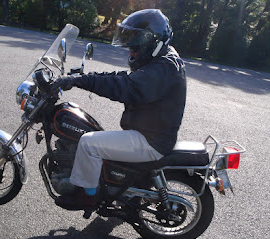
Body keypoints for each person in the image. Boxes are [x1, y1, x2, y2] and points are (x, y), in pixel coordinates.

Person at [53, 9, 187, 210]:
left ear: (152, 42)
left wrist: (80, 81)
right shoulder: (162, 59)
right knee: (94, 136)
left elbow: (124, 87)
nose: (131, 52)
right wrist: (82, 78)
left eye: (135, 48)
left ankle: (86, 196)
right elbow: (123, 78)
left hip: (151, 140)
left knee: (89, 143)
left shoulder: (162, 70)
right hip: (151, 133)